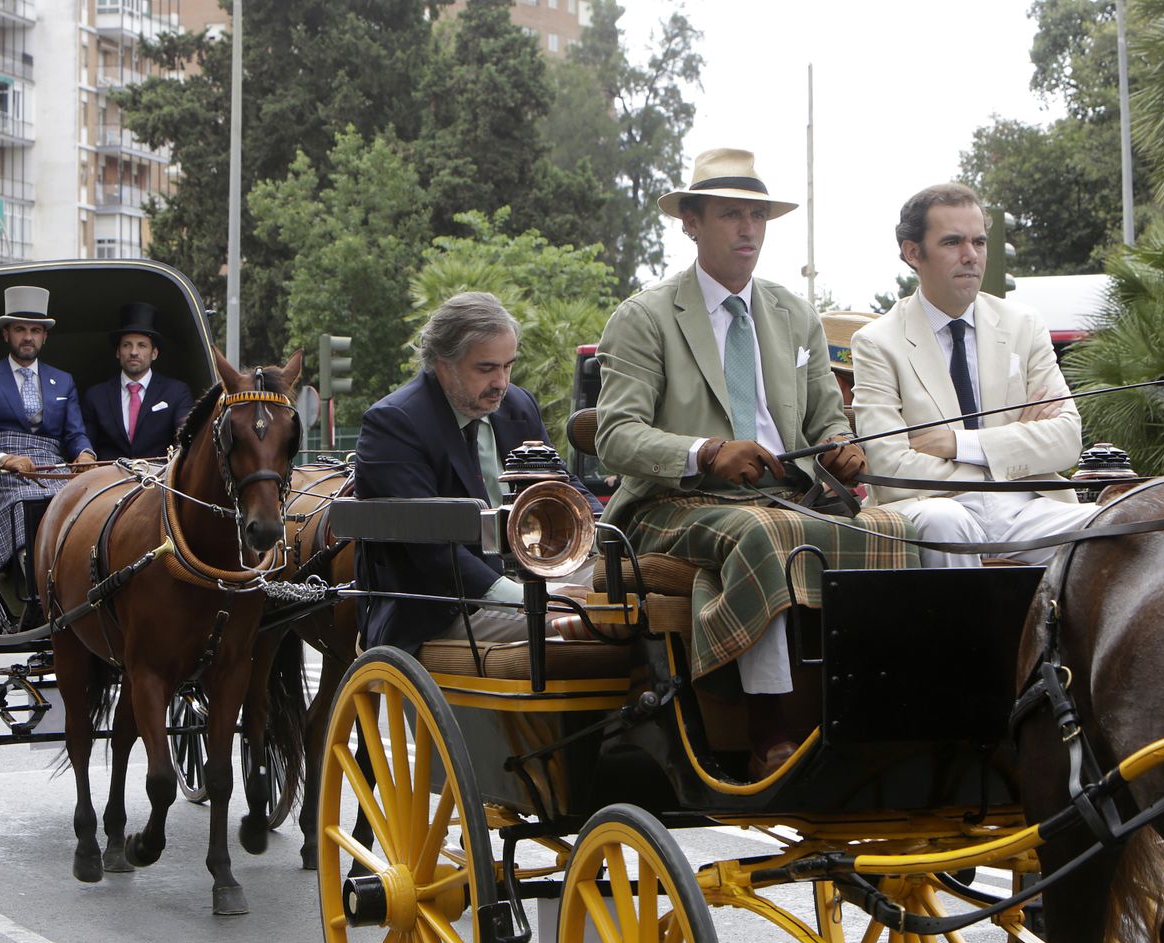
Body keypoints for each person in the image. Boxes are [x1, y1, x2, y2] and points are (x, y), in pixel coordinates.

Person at [593, 148, 918, 779]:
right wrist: (707, 453)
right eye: (730, 215)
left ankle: (885, 709)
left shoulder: (794, 313)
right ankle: (770, 726)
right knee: (764, 535)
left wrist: (840, 448)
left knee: (904, 528)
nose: (748, 230)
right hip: (672, 503)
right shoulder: (645, 316)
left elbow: (825, 416)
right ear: (691, 221)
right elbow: (616, 436)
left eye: (758, 217)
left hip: (790, 495)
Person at [851, 183, 1097, 568]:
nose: (971, 256)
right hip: (931, 507)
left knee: (1112, 526)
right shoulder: (877, 342)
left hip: (1027, 508)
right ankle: (968, 632)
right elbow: (890, 468)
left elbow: (1066, 441)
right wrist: (1012, 448)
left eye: (979, 242)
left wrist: (958, 444)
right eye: (952, 243)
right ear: (913, 253)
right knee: (945, 523)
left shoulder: (1023, 324)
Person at [354, 291, 601, 654]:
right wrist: (531, 597)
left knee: (635, 590)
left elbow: (560, 486)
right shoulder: (393, 423)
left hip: (533, 576)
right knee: (587, 617)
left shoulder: (518, 404)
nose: (502, 382)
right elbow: (431, 553)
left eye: (508, 366)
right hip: (444, 606)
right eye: (486, 368)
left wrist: (610, 529)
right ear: (443, 364)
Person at [0, 285, 95, 577]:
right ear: (6, 334)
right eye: (20, 329)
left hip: (50, 466)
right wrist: (5, 459)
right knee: (27, 502)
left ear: (44, 337)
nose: (28, 337)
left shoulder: (64, 380)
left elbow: (74, 434)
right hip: (2, 475)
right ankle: (33, 588)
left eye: (35, 330)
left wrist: (85, 454)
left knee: (82, 498)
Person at [81, 302, 195, 461]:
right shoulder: (95, 396)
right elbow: (85, 444)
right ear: (118, 352)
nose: (134, 352)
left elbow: (184, 438)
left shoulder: (176, 392)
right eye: (127, 345)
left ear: (154, 353)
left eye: (142, 345)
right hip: (108, 481)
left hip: (157, 479)